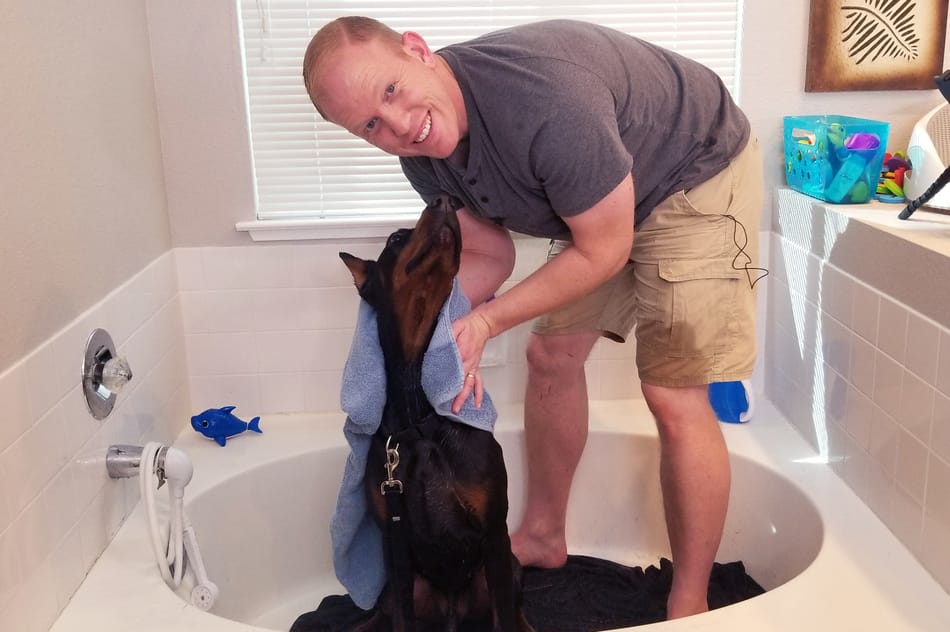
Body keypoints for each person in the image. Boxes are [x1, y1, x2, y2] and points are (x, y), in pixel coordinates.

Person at [303, 16, 764, 620]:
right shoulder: (422, 156)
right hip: (608, 200)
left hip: (693, 172)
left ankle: (690, 601)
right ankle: (544, 535)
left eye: (390, 90)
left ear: (416, 49)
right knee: (550, 356)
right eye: (370, 125)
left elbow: (604, 249)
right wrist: (437, 339)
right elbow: (489, 256)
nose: (397, 126)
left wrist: (485, 323)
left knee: (671, 393)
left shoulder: (545, 100)